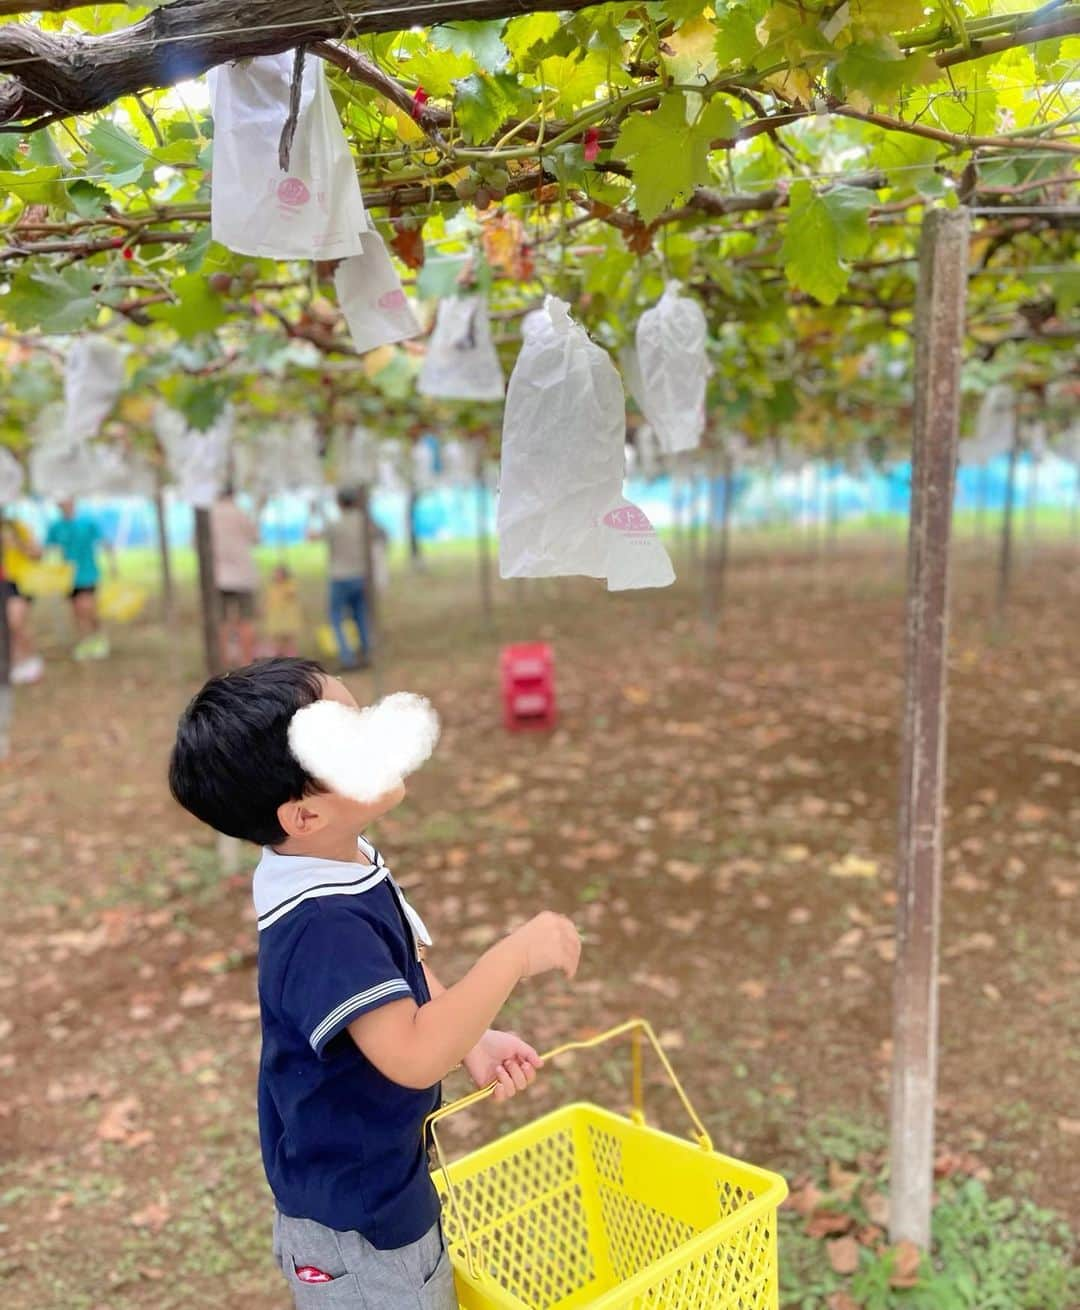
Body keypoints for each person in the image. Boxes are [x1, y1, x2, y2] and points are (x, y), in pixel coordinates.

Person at [168, 659, 580, 1309]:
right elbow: (413, 1055)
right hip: (360, 1227)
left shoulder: (332, 855)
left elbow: (402, 967)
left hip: (373, 1182)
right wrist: (511, 957)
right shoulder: (323, 924)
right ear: (303, 816)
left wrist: (469, 1039)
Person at [44, 498, 112, 661]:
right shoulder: (56, 526)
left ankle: (98, 636)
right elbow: (47, 547)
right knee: (76, 610)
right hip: (68, 576)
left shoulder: (87, 522)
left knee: (86, 607)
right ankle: (85, 640)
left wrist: (113, 564)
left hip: (88, 573)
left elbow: (104, 542)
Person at [323, 488, 373, 670]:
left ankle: (347, 656)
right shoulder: (364, 523)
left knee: (337, 617)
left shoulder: (336, 525)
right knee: (360, 615)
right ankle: (367, 651)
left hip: (340, 576)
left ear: (339, 503)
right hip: (360, 575)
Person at [210, 486, 259, 668]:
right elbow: (255, 536)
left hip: (218, 576)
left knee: (222, 622)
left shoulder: (210, 514)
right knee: (245, 620)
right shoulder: (240, 512)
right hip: (243, 575)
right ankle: (246, 663)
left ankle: (225, 662)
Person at [0, 515, 44, 685]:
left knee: (15, 621)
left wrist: (16, 543)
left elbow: (37, 553)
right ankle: (17, 663)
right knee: (7, 627)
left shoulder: (16, 527)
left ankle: (31, 660)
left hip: (20, 580)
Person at [265, 563, 303, 658]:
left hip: (288, 618)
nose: (277, 576)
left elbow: (292, 595)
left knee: (289, 639)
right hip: (276, 618)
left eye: (279, 573)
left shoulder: (290, 585)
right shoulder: (272, 587)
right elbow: (268, 601)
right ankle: (278, 656)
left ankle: (291, 657)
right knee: (277, 640)